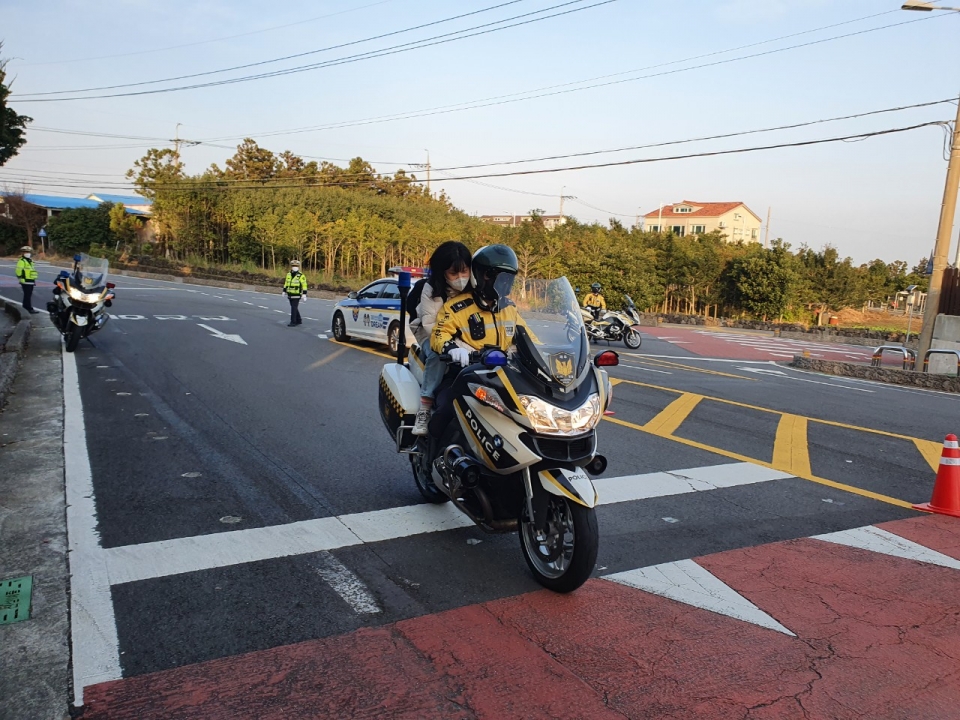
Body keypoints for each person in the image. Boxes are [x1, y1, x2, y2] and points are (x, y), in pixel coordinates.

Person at [409, 241, 472, 436]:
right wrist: (451, 346)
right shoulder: (431, 290)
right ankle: (425, 408)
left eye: (465, 271)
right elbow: (431, 327)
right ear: (442, 272)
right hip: (431, 334)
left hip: (463, 339)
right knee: (437, 354)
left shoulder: (475, 288)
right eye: (454, 274)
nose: (461, 278)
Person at [282, 260, 307, 326]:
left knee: (293, 308)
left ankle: (293, 322)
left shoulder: (301, 275)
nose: (294, 267)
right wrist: (284, 291)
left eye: (296, 266)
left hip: (297, 294)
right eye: (293, 266)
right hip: (290, 294)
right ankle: (299, 320)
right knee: (294, 307)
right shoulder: (288, 274)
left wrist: (304, 294)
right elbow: (286, 283)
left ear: (298, 267)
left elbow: (304, 285)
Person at [15, 245, 39, 314]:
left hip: (31, 280)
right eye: (26, 252)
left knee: (28, 295)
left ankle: (26, 307)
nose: (27, 253)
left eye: (28, 252)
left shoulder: (30, 261)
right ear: (22, 253)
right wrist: (21, 278)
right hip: (25, 281)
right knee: (27, 295)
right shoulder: (22, 261)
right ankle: (28, 308)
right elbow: (18, 271)